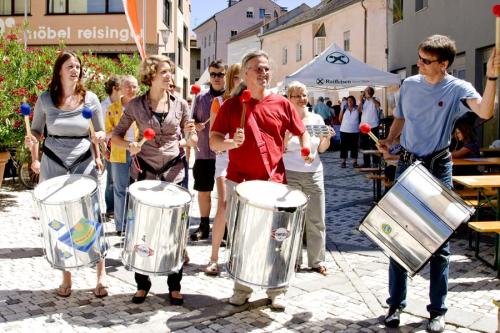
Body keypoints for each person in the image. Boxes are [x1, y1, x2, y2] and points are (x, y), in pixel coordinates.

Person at [378, 35, 499, 332]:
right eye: (420, 57)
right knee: (398, 239)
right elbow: (401, 119)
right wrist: (390, 140)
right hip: (407, 163)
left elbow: (484, 111)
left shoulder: (457, 87)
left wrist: (492, 76)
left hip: (437, 165)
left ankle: (437, 310)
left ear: (444, 64)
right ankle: (395, 304)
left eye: (425, 60)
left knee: (440, 244)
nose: (419, 63)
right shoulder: (409, 85)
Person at [210, 50, 312, 310]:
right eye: (257, 68)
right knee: (241, 238)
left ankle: (276, 288)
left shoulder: (281, 103)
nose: (263, 73)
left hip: (273, 183)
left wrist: (306, 148)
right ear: (245, 73)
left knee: (276, 238)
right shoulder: (232, 106)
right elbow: (214, 140)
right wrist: (231, 142)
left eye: (266, 68)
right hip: (240, 184)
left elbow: (302, 133)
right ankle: (241, 287)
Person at [111, 55, 197, 306]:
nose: (169, 75)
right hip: (146, 174)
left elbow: (188, 131)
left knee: (175, 231)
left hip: (174, 173)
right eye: (164, 71)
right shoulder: (135, 106)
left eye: (170, 71)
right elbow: (116, 136)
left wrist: (190, 136)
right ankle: (142, 283)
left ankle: (175, 284)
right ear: (151, 76)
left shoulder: (180, 104)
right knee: (144, 229)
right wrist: (131, 146)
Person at [25, 51, 108, 298]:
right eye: (70, 66)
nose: (75, 70)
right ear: (59, 70)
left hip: (83, 161)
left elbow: (100, 132)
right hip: (53, 162)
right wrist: (32, 148)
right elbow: (37, 131)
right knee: (58, 219)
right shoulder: (45, 99)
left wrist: (99, 145)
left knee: (92, 214)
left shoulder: (90, 98)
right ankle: (66, 274)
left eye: (78, 66)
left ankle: (101, 273)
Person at [284, 81, 332, 276]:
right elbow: (280, 149)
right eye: (298, 95)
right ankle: (292, 260)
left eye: (304, 95)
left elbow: (321, 148)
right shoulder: (285, 119)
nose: (303, 99)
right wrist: (285, 139)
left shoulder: (316, 119)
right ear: (289, 98)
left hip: (313, 172)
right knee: (292, 220)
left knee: (316, 219)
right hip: (290, 173)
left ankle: (317, 260)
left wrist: (326, 138)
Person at [205, 63, 242, 275]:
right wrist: (232, 143)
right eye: (236, 77)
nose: (240, 81)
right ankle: (214, 257)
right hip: (225, 157)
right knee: (224, 205)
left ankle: (239, 255)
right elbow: (213, 136)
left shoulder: (253, 101)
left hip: (247, 159)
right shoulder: (219, 102)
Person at [190, 60, 226, 241]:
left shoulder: (231, 98)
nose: (217, 78)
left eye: (220, 74)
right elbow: (191, 122)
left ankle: (224, 227)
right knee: (203, 191)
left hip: (226, 154)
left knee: (224, 194)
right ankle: (204, 225)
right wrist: (195, 125)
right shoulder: (200, 98)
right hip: (204, 152)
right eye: (213, 74)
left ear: (226, 75)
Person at [105, 75, 139, 235]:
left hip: (139, 153)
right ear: (121, 89)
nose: (131, 90)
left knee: (137, 191)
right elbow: (107, 132)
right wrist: (119, 133)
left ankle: (135, 224)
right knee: (120, 190)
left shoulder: (143, 107)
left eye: (134, 86)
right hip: (119, 153)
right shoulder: (112, 109)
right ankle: (121, 226)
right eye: (127, 86)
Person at [101, 75, 122, 218]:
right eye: (123, 86)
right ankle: (110, 209)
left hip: (123, 146)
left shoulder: (123, 104)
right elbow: (100, 131)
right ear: (115, 88)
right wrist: (104, 150)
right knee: (111, 179)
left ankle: (121, 208)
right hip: (109, 146)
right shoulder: (104, 106)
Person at [358, 87, 381, 167]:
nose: (365, 92)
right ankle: (366, 163)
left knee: (375, 144)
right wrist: (361, 101)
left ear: (371, 92)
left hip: (373, 126)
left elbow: (378, 105)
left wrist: (371, 98)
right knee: (365, 145)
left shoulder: (375, 99)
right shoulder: (363, 101)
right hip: (364, 126)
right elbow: (359, 110)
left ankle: (376, 162)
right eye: (365, 91)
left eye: (367, 91)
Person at [339, 96, 360, 168]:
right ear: (347, 102)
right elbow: (340, 119)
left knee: (354, 147)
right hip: (344, 130)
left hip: (354, 131)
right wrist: (342, 109)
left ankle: (354, 162)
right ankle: (343, 162)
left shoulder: (357, 109)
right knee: (343, 147)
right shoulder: (344, 109)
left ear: (354, 101)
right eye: (348, 101)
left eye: (351, 100)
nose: (350, 102)